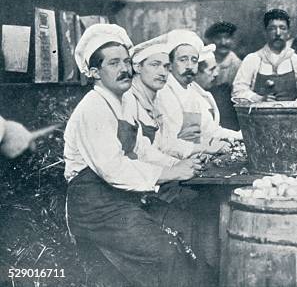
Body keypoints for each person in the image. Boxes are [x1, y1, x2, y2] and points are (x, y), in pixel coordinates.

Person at [64, 24, 208, 287]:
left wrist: (181, 164)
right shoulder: (93, 109)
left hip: (121, 196)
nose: (124, 69)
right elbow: (113, 169)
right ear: (94, 72)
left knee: (187, 223)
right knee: (166, 252)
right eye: (114, 63)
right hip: (94, 206)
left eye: (127, 62)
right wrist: (169, 173)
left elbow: (141, 148)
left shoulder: (126, 101)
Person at [157, 29, 239, 159]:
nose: (189, 66)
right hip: (176, 163)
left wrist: (240, 136)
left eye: (194, 60)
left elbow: (210, 130)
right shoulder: (163, 93)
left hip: (198, 157)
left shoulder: (193, 90)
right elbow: (166, 145)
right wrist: (206, 148)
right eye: (183, 60)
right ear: (170, 65)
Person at [232, 9, 297, 102]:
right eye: (272, 28)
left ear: (288, 33)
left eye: (282, 28)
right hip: (259, 115)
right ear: (265, 33)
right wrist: (259, 98)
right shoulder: (252, 60)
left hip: (290, 116)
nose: (278, 33)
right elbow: (237, 92)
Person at [203, 21, 242, 130]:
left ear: (233, 40)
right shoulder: (205, 61)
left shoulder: (237, 65)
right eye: (218, 38)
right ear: (211, 40)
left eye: (227, 38)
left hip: (229, 118)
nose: (223, 42)